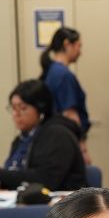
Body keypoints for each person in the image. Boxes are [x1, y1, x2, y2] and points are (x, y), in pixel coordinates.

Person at [0, 80, 86, 191]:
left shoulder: (58, 135)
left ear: (41, 109)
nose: (16, 114)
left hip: (65, 202)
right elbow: (16, 176)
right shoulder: (20, 139)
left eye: (22, 108)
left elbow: (46, 180)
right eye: (13, 108)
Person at [40, 27, 91, 164]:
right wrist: (82, 149)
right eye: (79, 46)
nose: (80, 52)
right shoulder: (64, 76)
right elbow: (70, 115)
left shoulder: (52, 71)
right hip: (67, 141)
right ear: (67, 44)